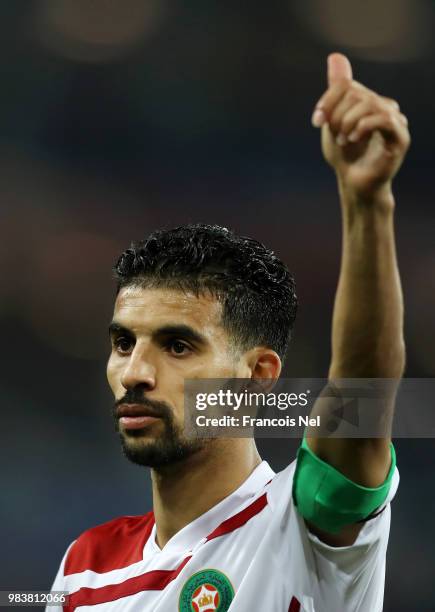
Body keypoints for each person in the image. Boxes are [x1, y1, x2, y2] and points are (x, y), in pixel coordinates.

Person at [48, 53, 410, 611]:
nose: (136, 374)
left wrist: (368, 203)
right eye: (124, 343)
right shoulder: (84, 568)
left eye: (178, 346)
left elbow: (364, 392)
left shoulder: (307, 523)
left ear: (258, 375)